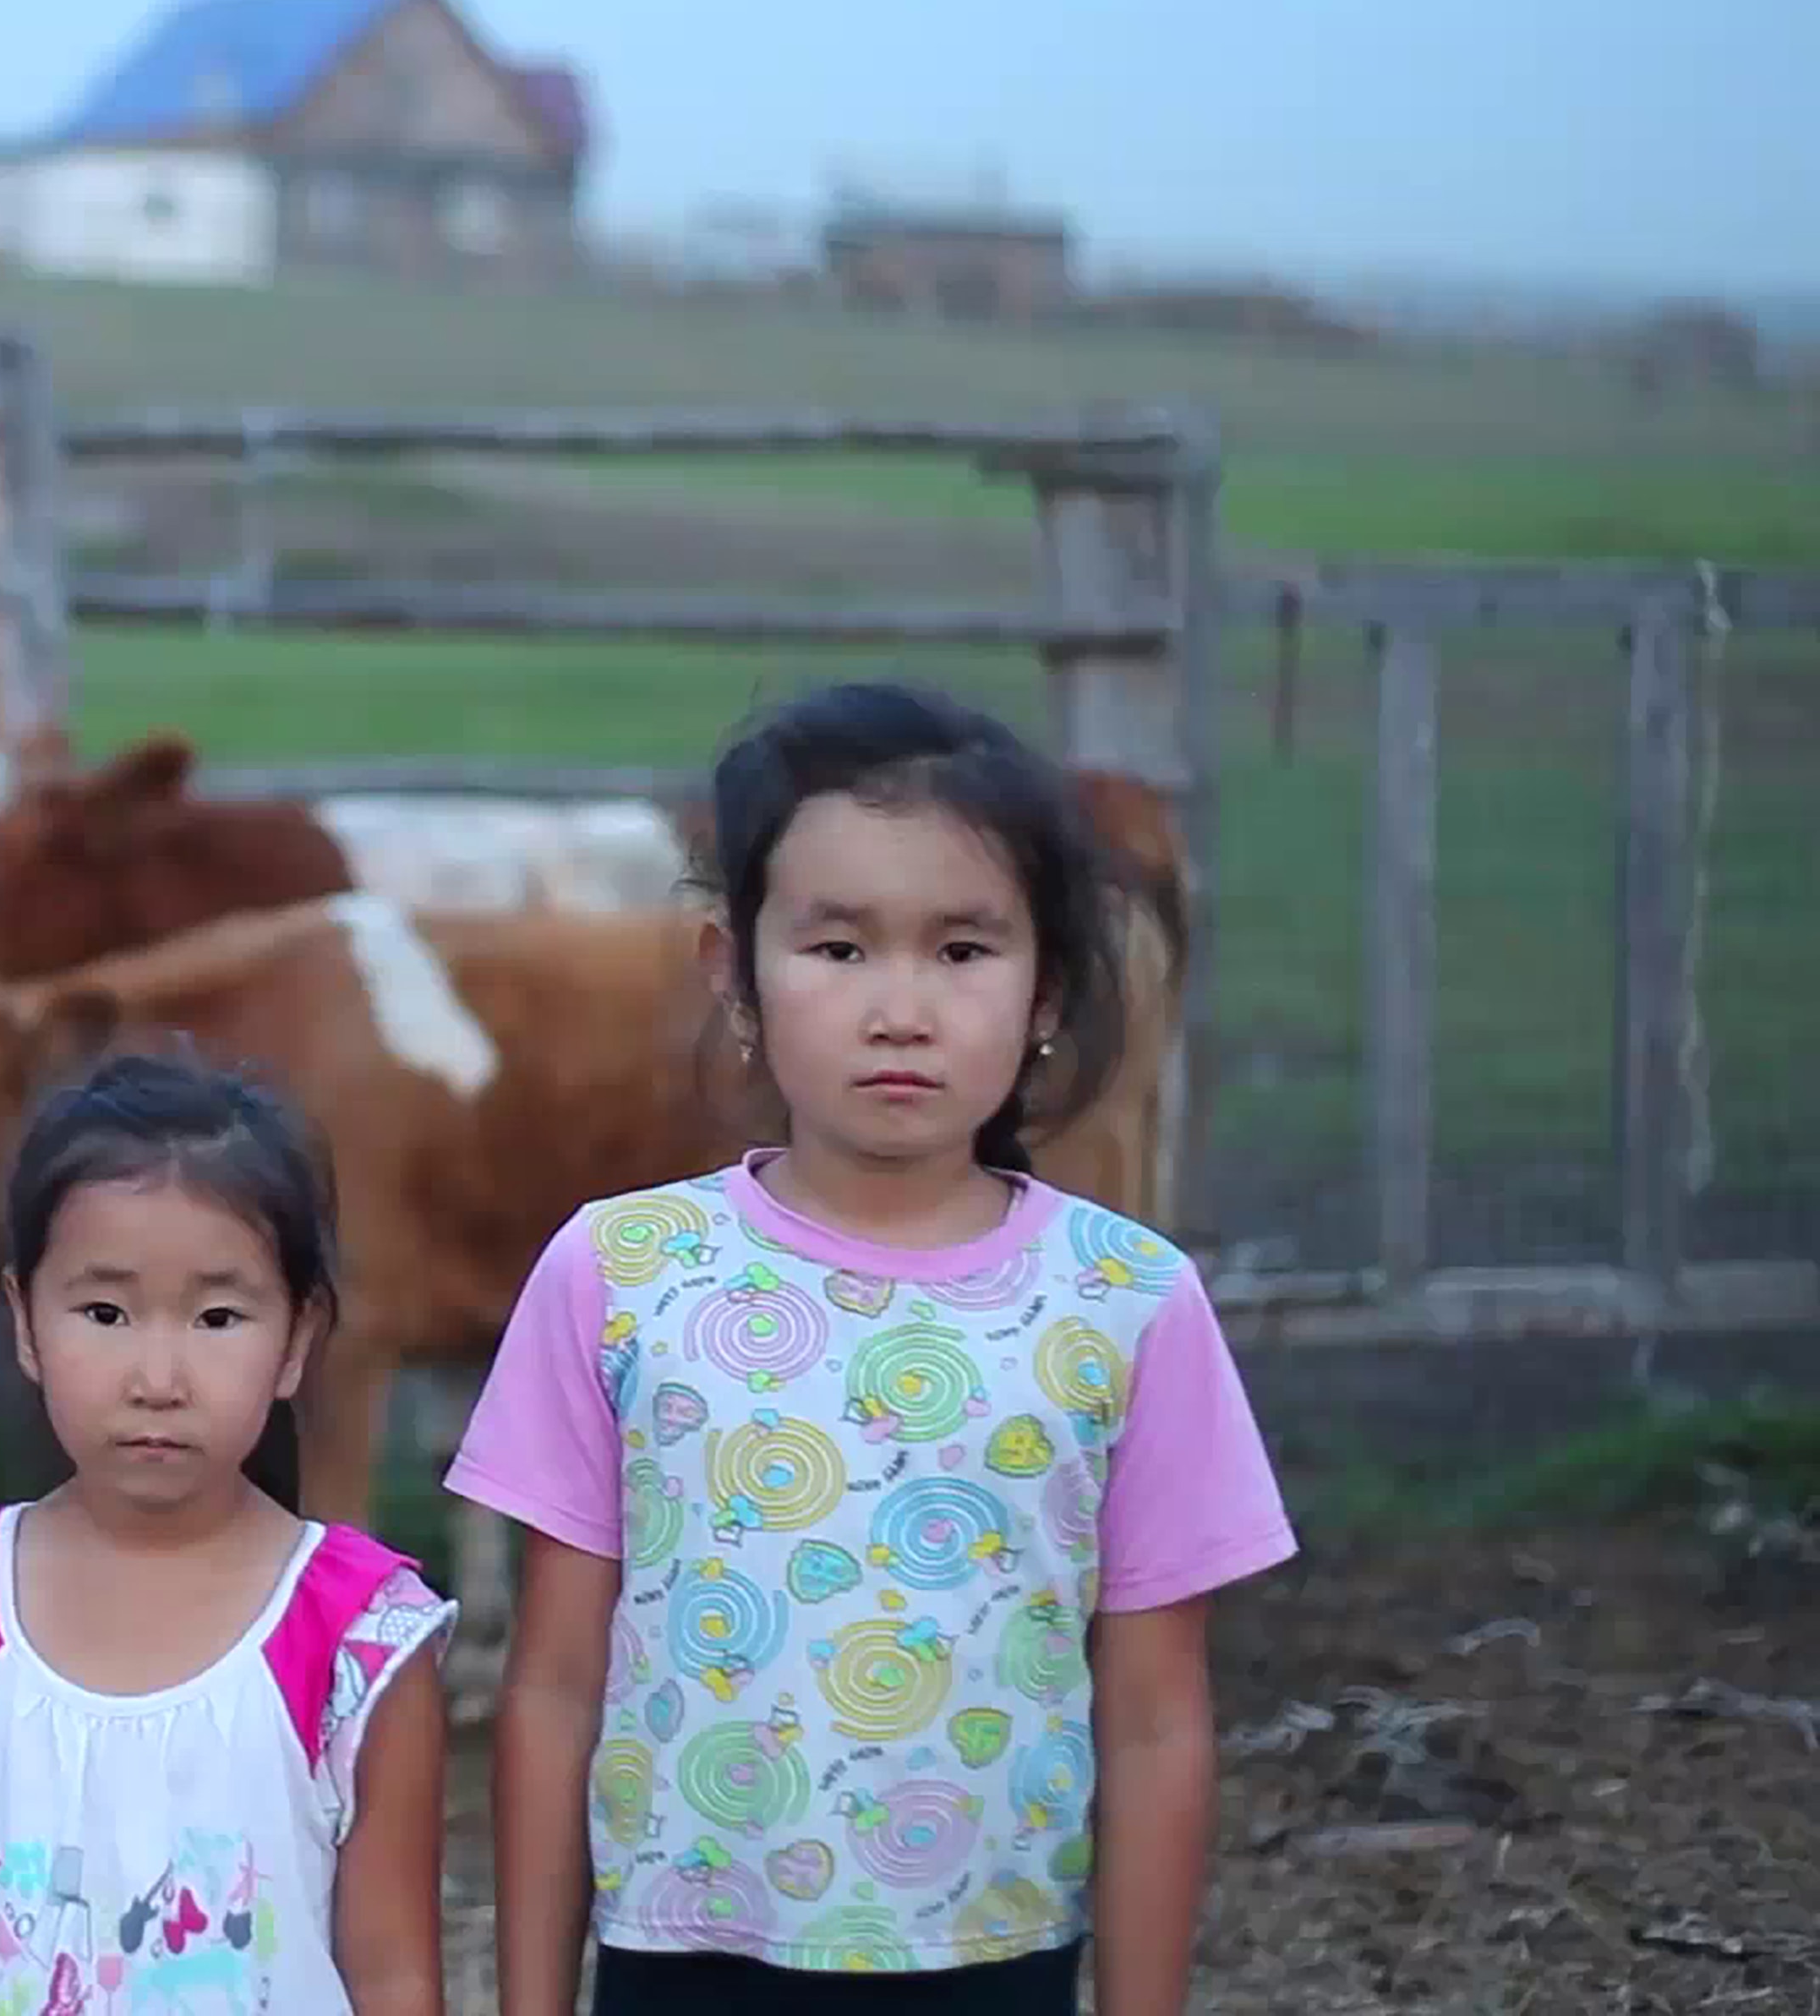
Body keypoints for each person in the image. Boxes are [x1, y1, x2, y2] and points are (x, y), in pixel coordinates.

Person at [447, 680, 1297, 2016]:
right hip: (681, 1966)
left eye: (962, 951)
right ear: (735, 971)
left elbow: (1153, 1722)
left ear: (1049, 988)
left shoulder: (1128, 1302)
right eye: (839, 949)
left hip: (996, 1965)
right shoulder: (620, 1278)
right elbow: (553, 1693)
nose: (899, 1008)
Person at [0, 1048, 458, 2016]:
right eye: (104, 1312)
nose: (156, 1376)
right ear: (25, 1323)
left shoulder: (359, 1636)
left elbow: (393, 1970)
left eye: (217, 1316)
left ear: (296, 1339)